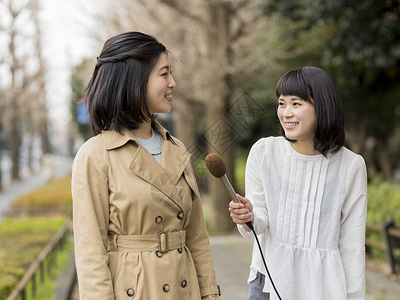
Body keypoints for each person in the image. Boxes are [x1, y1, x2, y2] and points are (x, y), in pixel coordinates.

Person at [72, 31, 220, 299]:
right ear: (134, 79)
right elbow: (90, 253)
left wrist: (210, 294)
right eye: (164, 74)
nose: (173, 83)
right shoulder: (96, 155)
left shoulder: (176, 149)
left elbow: (197, 237)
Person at [228, 66, 367, 300]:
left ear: (322, 107)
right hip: (269, 280)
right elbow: (259, 223)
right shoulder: (264, 152)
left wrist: (354, 296)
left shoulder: (351, 166)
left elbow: (352, 245)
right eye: (282, 103)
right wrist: (249, 217)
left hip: (324, 286)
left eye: (296, 103)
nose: (286, 113)